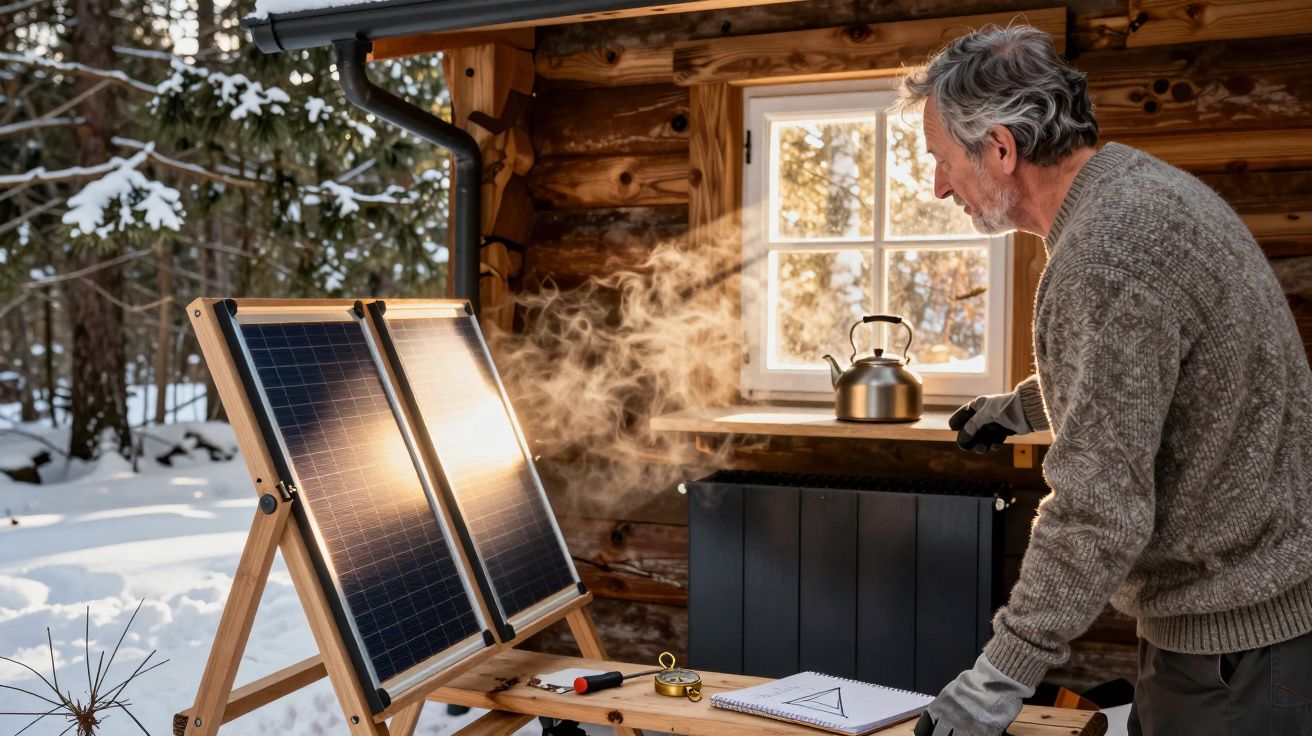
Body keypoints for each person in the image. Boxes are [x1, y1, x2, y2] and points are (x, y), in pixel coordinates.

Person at [897, 24, 1312, 736]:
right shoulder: (1138, 193)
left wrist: (995, 682)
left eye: (941, 159)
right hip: (1253, 628)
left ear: (1000, 148)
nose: (938, 185)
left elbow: (1096, 509)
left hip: (1238, 655)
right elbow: (1158, 382)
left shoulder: (1107, 254)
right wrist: (1024, 407)